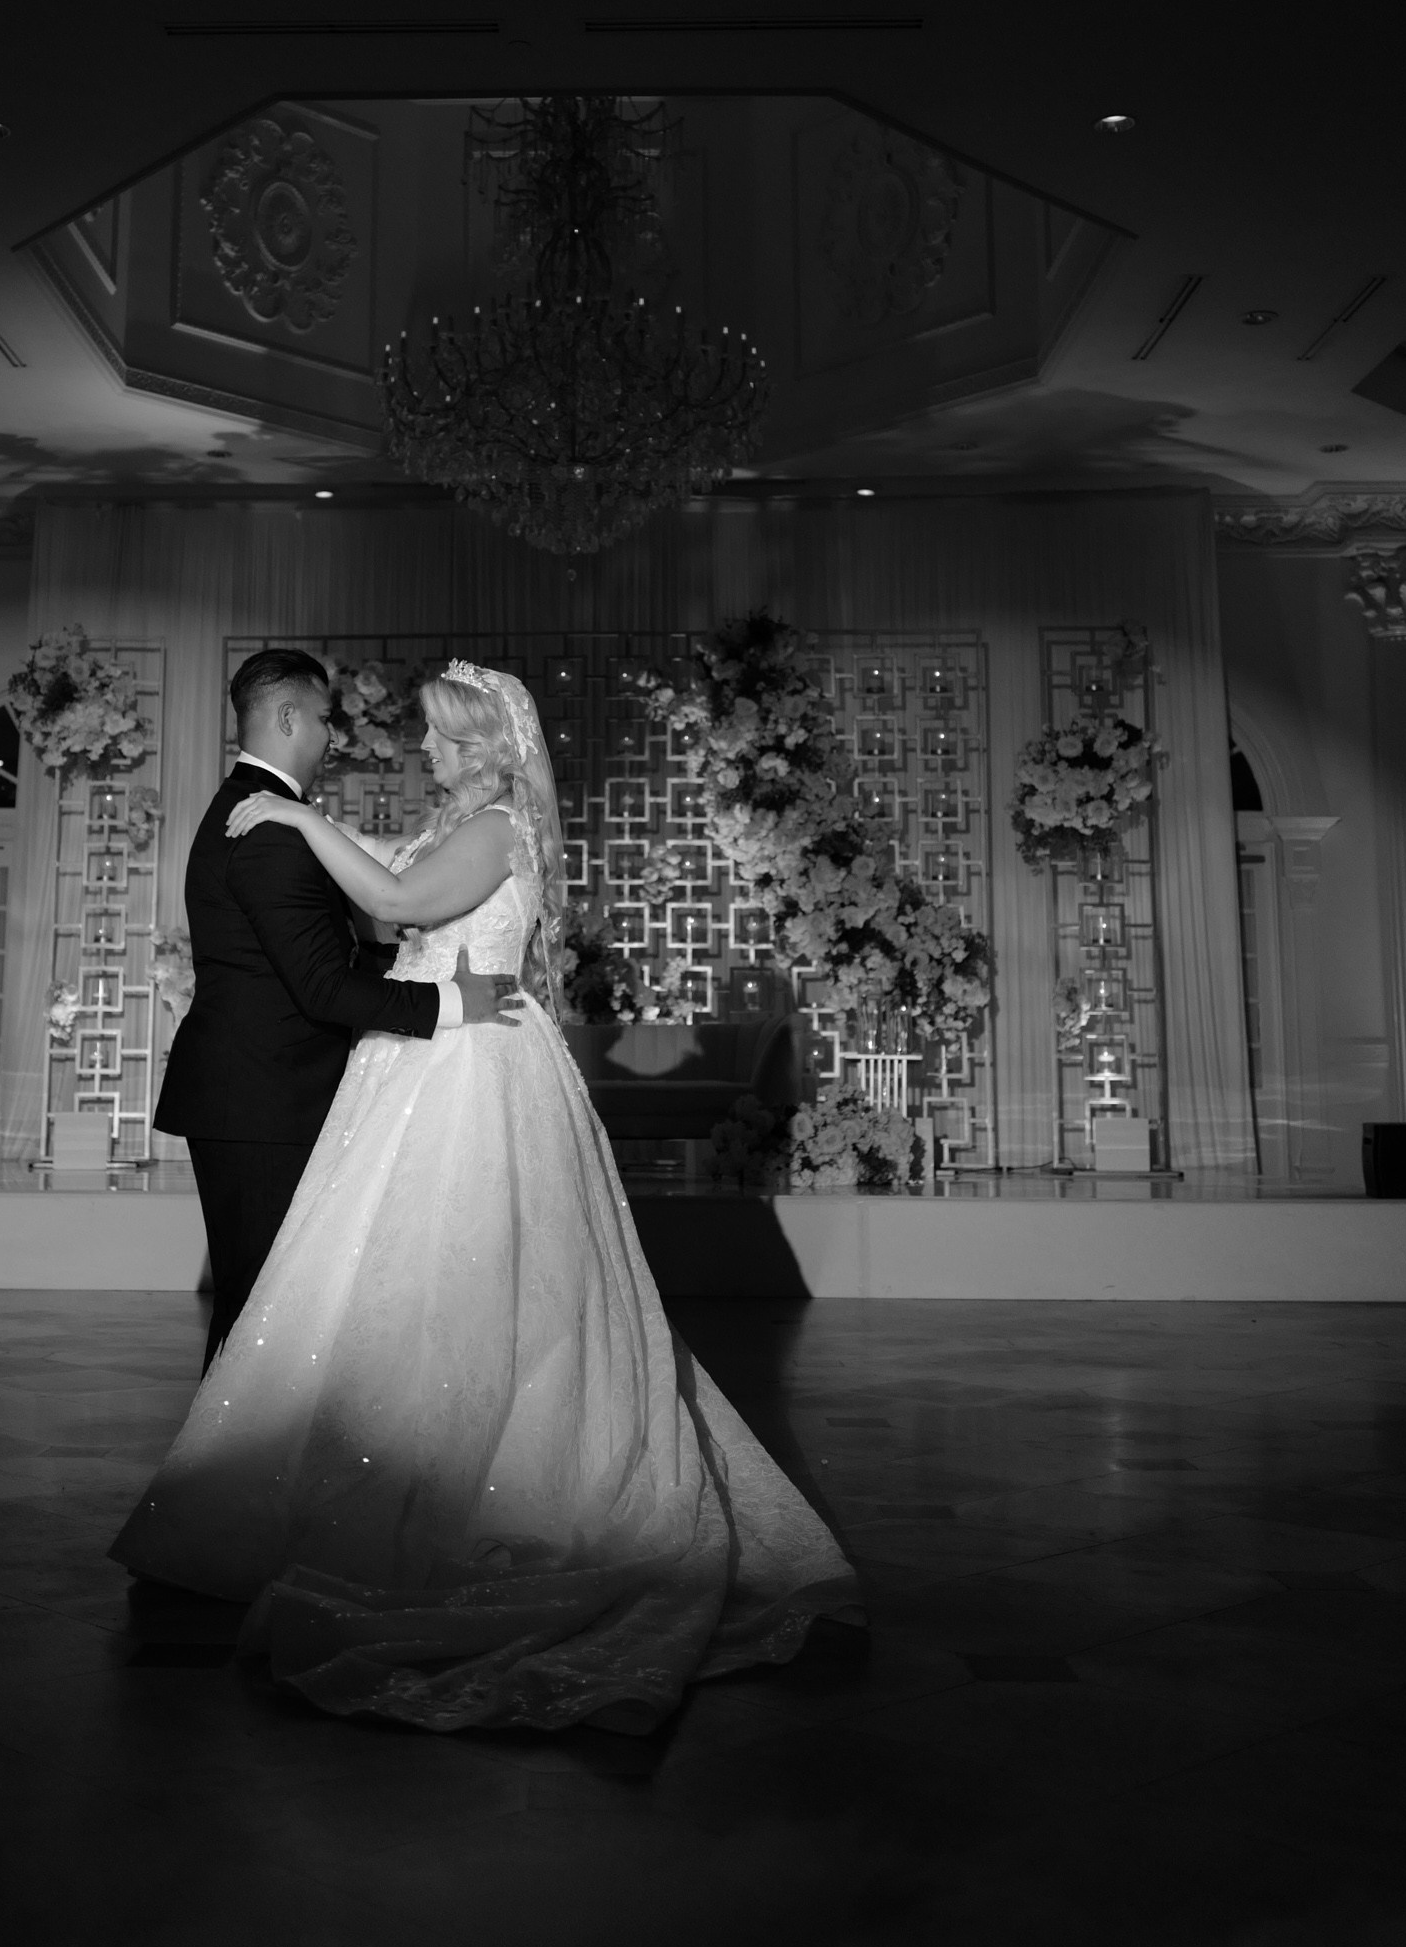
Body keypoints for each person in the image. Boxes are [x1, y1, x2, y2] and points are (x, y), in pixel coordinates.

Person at [112, 660, 862, 1735]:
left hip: (471, 1067)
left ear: (484, 747)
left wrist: (296, 820)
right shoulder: (459, 820)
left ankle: (461, 1491)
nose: (420, 750)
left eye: (436, 737)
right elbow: (385, 929)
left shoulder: (497, 825)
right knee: (378, 1281)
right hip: (427, 1053)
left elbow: (394, 904)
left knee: (459, 1277)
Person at [153, 647, 525, 1370]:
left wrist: (408, 958)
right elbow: (322, 987)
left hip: (261, 1094)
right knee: (263, 1308)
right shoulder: (268, 828)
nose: (333, 736)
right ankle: (227, 1471)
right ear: (289, 717)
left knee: (268, 1305)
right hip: (262, 1100)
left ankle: (235, 1466)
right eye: (325, 719)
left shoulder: (261, 815)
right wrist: (450, 999)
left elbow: (340, 952)